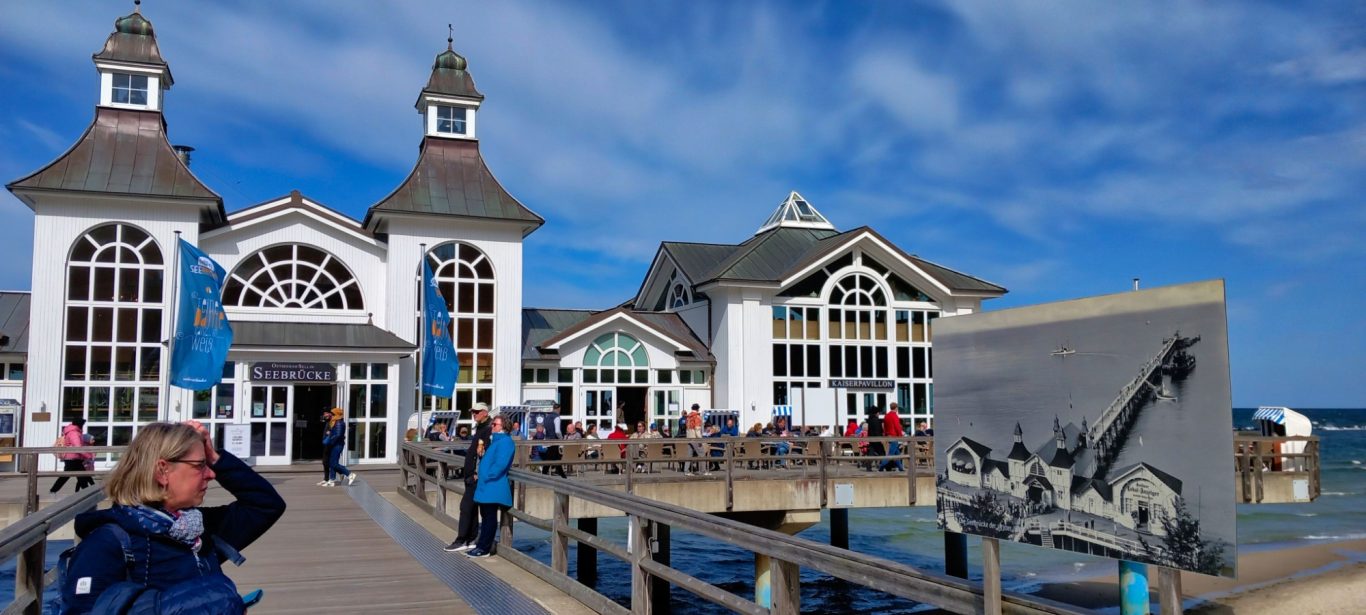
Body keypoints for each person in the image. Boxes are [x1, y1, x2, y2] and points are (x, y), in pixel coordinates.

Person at [60, 421, 285, 614]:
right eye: (200, 465)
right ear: (162, 471)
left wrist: (215, 456)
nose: (211, 474)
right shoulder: (107, 543)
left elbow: (265, 505)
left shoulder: (196, 529)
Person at [467, 414, 514, 559]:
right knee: (486, 517)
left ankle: (485, 548)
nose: (492, 426)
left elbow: (501, 464)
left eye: (495, 424)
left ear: (503, 427)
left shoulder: (505, 441)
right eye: (492, 424)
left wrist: (487, 475)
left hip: (493, 485)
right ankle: (481, 545)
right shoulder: (496, 441)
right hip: (487, 485)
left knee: (489, 518)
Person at [446, 403, 492, 552]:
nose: (474, 414)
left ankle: (461, 540)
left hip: (475, 476)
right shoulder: (480, 427)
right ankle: (471, 538)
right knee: (471, 508)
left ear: (485, 413)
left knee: (465, 507)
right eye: (473, 412)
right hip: (470, 474)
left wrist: (478, 472)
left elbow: (486, 453)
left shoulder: (487, 429)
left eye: (477, 412)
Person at [51, 418, 95, 494]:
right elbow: (78, 447)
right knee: (68, 476)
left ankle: (88, 492)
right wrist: (88, 456)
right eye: (82, 424)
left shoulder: (73, 432)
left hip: (74, 458)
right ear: (79, 425)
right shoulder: (74, 433)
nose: (83, 426)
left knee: (82, 476)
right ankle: (53, 491)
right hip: (72, 458)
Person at [320, 408, 355, 486]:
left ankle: (349, 474)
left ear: (336, 415)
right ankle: (332, 479)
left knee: (334, 463)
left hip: (337, 445)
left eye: (332, 414)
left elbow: (338, 435)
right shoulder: (335, 422)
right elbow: (335, 433)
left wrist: (330, 440)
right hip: (335, 444)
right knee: (332, 463)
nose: (331, 415)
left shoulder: (339, 423)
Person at [880, 402, 906, 472]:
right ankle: (881, 467)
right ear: (896, 408)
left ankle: (901, 468)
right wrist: (900, 435)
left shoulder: (886, 415)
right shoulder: (895, 416)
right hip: (894, 436)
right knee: (890, 454)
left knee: (897, 453)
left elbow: (884, 426)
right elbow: (897, 427)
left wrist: (885, 434)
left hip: (888, 435)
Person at [316, 410, 334, 486]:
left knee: (329, 462)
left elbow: (336, 432)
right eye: (324, 415)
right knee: (325, 462)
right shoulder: (327, 422)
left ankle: (344, 474)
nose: (325, 416)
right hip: (326, 443)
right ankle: (326, 479)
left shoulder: (332, 422)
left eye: (326, 415)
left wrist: (330, 433)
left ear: (330, 414)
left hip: (330, 444)